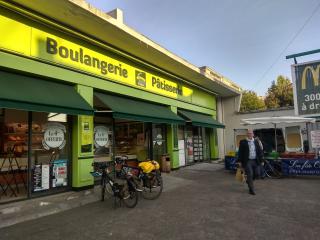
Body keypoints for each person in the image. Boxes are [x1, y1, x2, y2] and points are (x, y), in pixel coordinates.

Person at [238, 129, 263, 195]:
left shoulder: (256, 141)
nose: (250, 134)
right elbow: (240, 152)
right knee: (250, 174)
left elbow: (260, 151)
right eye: (248, 133)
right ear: (247, 134)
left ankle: (249, 181)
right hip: (248, 161)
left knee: (257, 174)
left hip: (255, 160)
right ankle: (251, 189)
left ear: (253, 134)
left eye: (251, 133)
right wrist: (239, 161)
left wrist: (262, 160)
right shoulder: (243, 142)